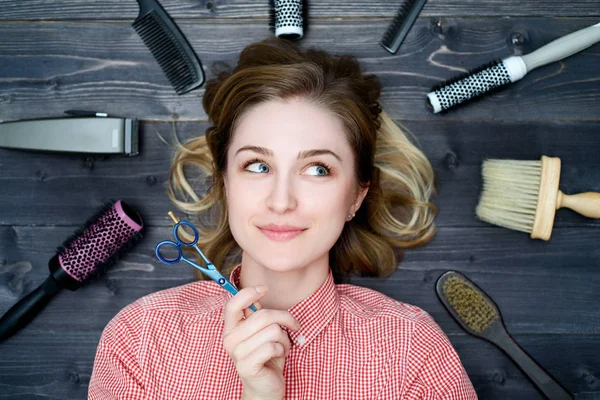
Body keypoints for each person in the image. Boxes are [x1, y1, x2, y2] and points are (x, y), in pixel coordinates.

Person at [89, 38, 477, 400]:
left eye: (318, 169)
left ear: (357, 195)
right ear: (224, 181)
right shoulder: (140, 339)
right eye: (258, 165)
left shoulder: (412, 350)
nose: (281, 201)